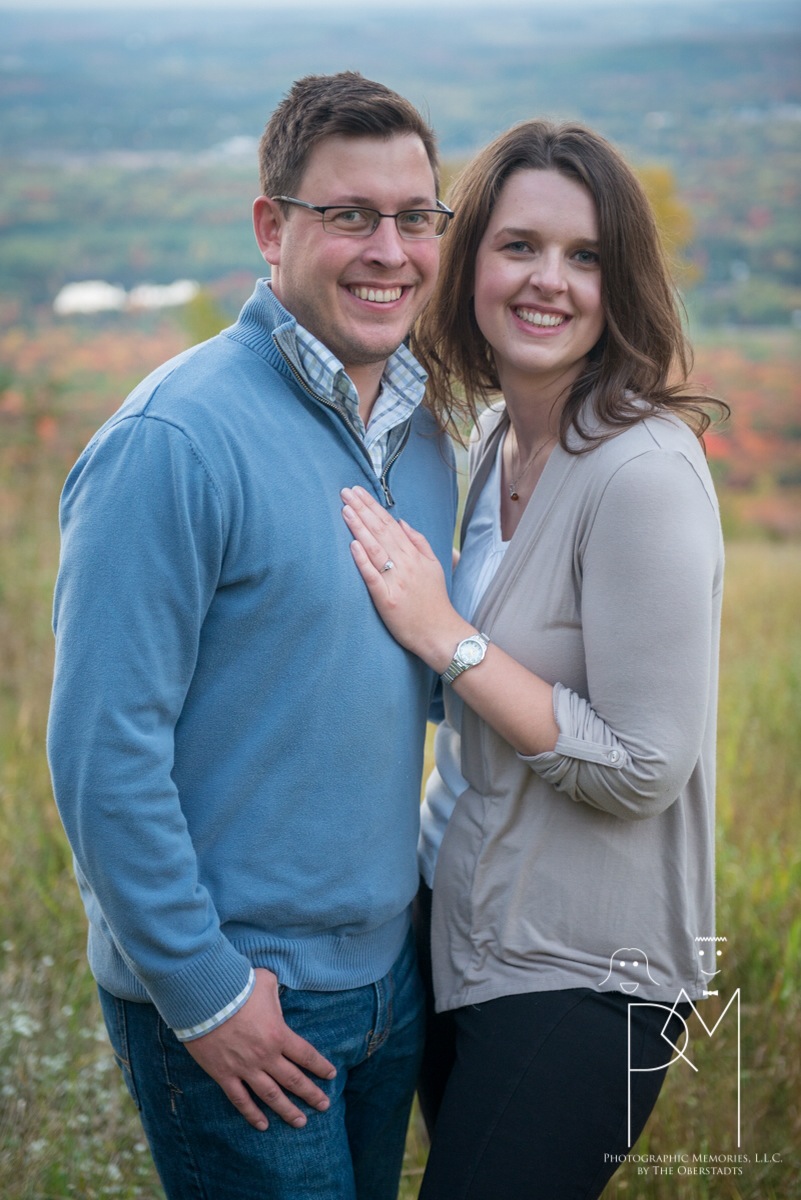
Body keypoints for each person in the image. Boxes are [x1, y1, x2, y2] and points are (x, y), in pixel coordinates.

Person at [47, 71, 458, 1200]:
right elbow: (100, 756)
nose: (390, 250)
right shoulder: (172, 441)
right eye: (350, 215)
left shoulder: (421, 434)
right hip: (242, 998)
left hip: (388, 982)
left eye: (415, 217)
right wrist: (205, 992)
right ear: (273, 228)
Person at [340, 118, 726, 1199]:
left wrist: (445, 636)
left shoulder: (642, 474)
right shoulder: (488, 444)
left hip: (585, 970)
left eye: (585, 255)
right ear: (470, 264)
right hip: (455, 930)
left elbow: (644, 766)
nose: (548, 279)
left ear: (620, 284)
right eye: (519, 246)